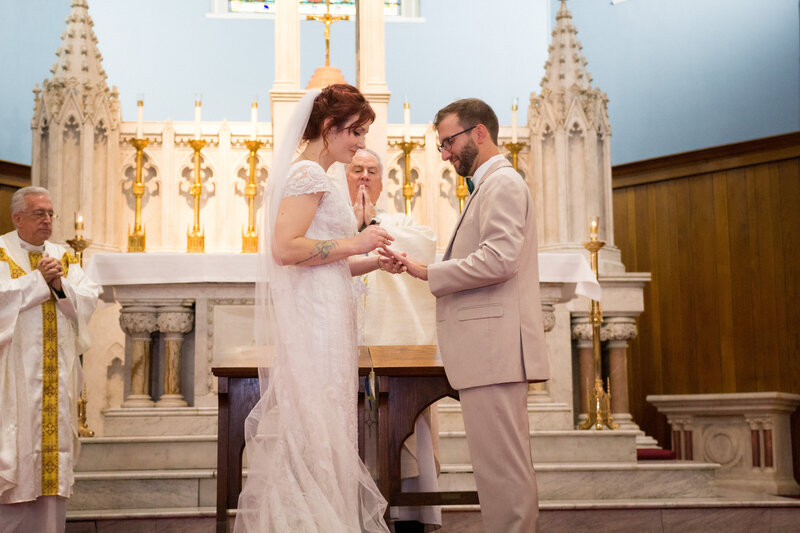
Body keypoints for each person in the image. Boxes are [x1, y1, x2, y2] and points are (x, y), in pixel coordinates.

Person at [234, 85, 403, 533]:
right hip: (314, 325)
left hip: (326, 315)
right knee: (313, 424)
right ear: (329, 128)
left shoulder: (319, 175)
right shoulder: (307, 173)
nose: (361, 142)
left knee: (326, 424)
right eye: (356, 132)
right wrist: (358, 241)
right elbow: (286, 250)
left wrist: (371, 261)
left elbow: (323, 264)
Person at [385, 99, 549, 533]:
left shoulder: (503, 184)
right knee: (498, 473)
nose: (444, 154)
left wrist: (426, 270)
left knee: (504, 474)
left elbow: (499, 259)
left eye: (448, 142)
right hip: (487, 353)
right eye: (440, 146)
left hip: (494, 351)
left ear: (479, 133)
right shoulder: (488, 186)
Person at [345, 149, 441, 533]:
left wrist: (373, 224)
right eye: (357, 170)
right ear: (343, 175)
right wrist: (355, 227)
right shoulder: (326, 218)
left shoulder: (397, 220)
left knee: (398, 424)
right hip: (341, 343)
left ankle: (405, 515)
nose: (365, 177)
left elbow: (424, 244)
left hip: (392, 347)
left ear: (383, 181)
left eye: (372, 171)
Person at [0, 186, 101, 533]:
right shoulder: (1, 252)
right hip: (14, 379)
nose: (47, 220)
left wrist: (60, 285)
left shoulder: (63, 256)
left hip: (55, 378)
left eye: (50, 214)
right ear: (17, 218)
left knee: (51, 474)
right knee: (16, 455)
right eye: (38, 213)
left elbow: (88, 297)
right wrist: (38, 280)